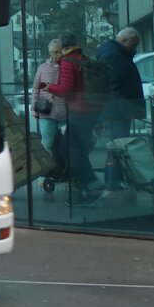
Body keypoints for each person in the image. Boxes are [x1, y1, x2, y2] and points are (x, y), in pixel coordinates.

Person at [45, 32, 102, 202]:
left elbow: (67, 89)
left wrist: (51, 88)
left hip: (79, 111)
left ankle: (91, 184)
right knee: (76, 149)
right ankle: (89, 185)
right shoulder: (82, 57)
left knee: (67, 148)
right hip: (91, 110)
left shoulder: (68, 62)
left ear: (63, 47)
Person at [96, 26, 146, 192]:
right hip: (118, 110)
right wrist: (123, 108)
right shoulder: (115, 56)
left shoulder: (114, 53)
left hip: (118, 109)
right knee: (117, 146)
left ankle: (114, 179)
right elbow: (112, 85)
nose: (134, 49)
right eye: (133, 45)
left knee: (117, 146)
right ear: (124, 41)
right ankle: (113, 181)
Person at [31, 38, 65, 153]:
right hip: (47, 113)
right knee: (47, 145)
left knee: (65, 146)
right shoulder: (42, 68)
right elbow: (35, 89)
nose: (58, 55)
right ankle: (47, 170)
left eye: (60, 52)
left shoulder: (66, 67)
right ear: (50, 52)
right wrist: (34, 109)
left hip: (64, 113)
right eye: (56, 52)